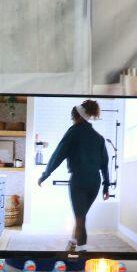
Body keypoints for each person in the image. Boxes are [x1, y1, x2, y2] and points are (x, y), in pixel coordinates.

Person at [37, 99, 110, 252]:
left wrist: (45, 174)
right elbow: (105, 163)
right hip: (95, 182)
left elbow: (58, 154)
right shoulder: (99, 138)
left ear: (77, 116)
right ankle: (72, 244)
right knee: (81, 216)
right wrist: (106, 186)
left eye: (73, 116)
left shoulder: (74, 132)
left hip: (79, 180)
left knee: (80, 218)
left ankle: (82, 251)